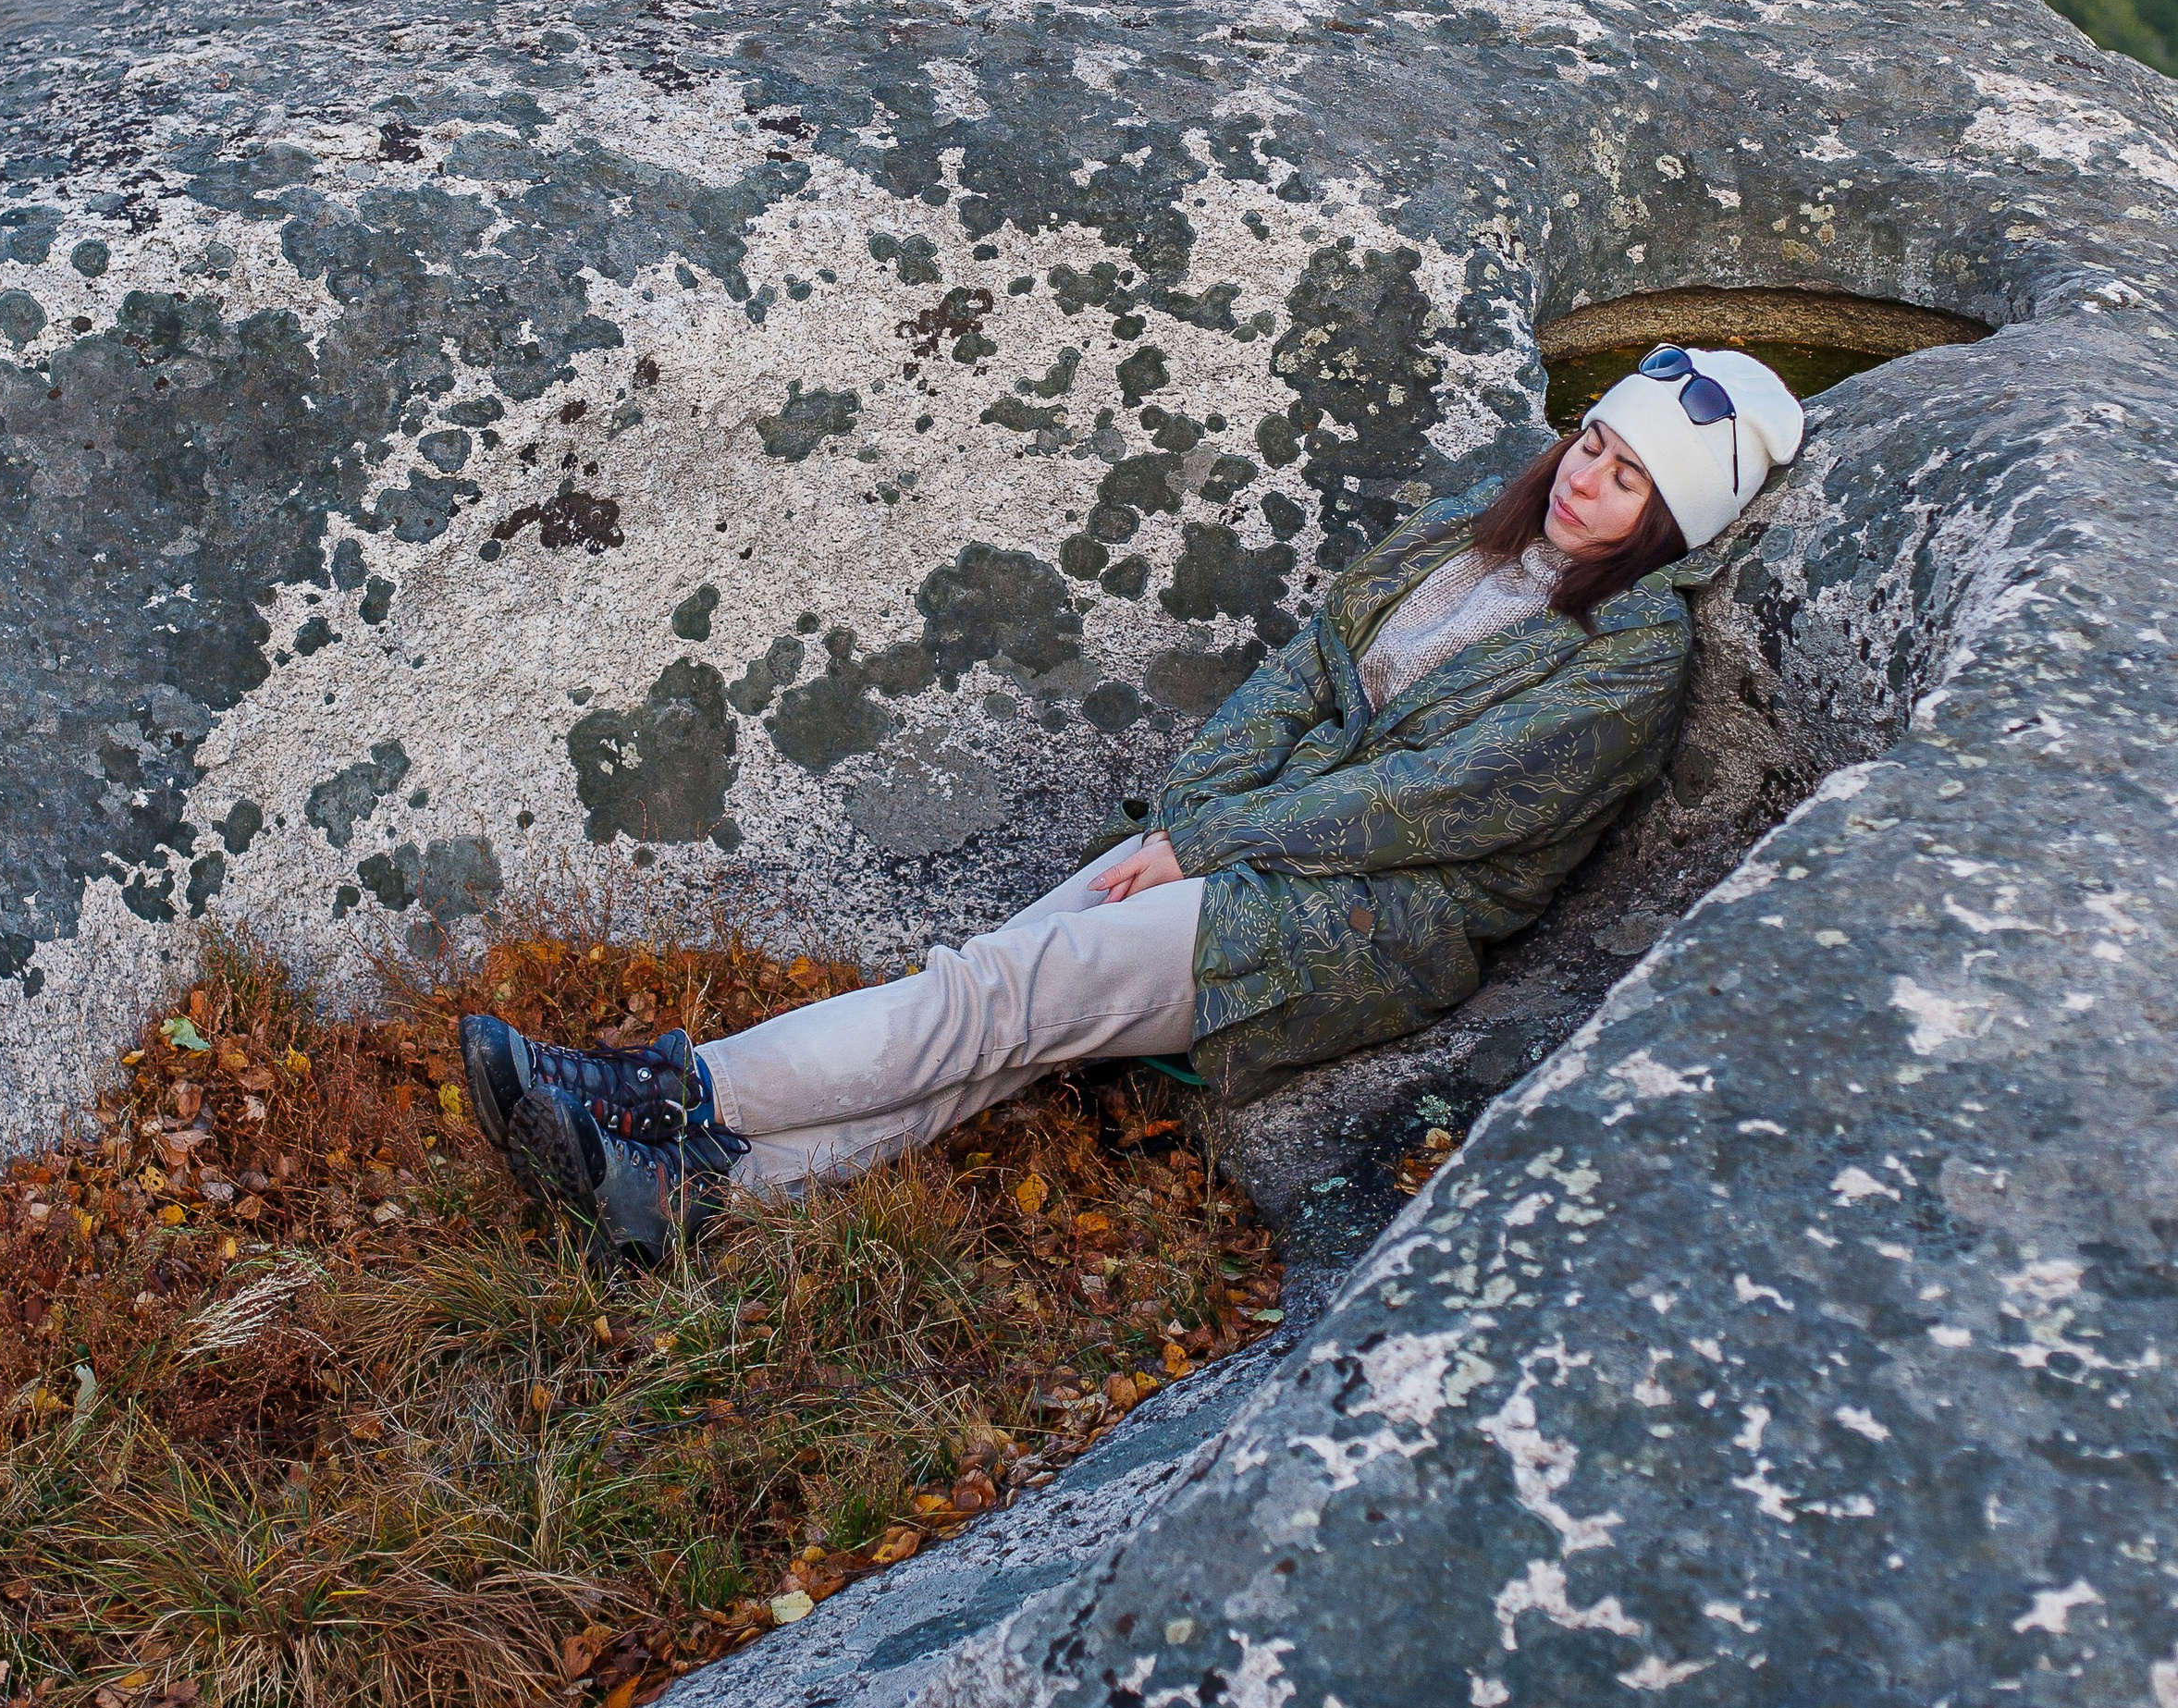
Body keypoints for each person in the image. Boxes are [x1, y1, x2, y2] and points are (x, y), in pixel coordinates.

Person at [461, 346, 1805, 1258]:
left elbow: (1427, 806)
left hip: (1364, 921)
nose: (1584, 478)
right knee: (1002, 1002)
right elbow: (1304, 662)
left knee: (997, 998)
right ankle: (678, 1195)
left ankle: (653, 1089)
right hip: (1247, 836)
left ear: (1671, 521)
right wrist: (1191, 810)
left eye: (1629, 478)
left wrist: (1204, 841)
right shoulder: (1481, 529)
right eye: (1591, 443)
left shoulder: (1630, 661)